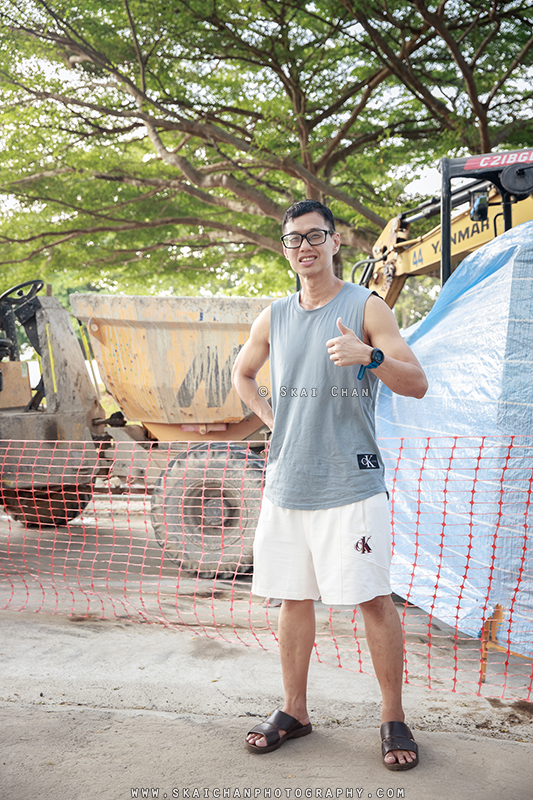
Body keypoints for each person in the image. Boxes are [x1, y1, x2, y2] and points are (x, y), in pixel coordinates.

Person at [232, 199, 428, 770]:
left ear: (335, 241)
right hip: (287, 483)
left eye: (315, 236)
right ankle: (295, 711)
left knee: (372, 599)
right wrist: (275, 422)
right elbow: (243, 375)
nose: (305, 247)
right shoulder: (272, 315)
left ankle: (393, 717)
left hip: (353, 482)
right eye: (294, 240)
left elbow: (415, 382)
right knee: (294, 599)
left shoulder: (365, 306)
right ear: (285, 249)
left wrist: (369, 356)